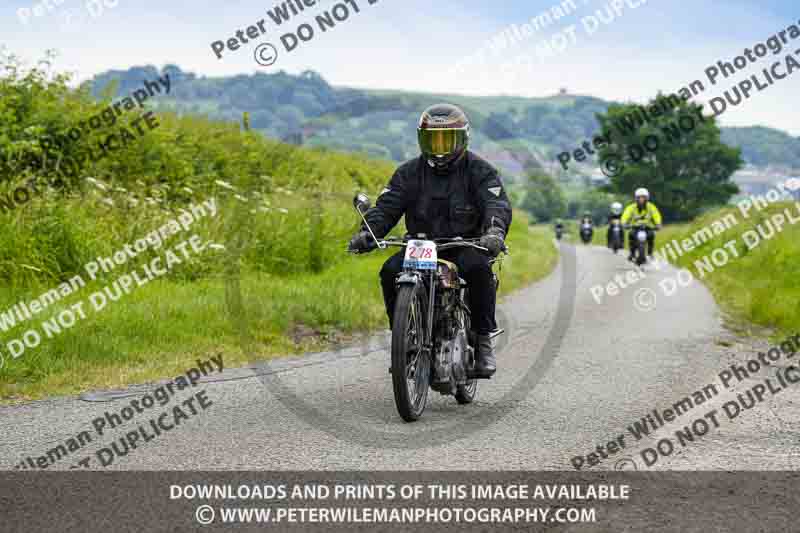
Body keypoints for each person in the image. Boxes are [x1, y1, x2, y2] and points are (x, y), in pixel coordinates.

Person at [348, 103, 512, 377]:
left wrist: (494, 232)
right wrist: (369, 233)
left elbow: (497, 205)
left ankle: (483, 341)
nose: (439, 148)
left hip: (464, 244)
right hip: (420, 247)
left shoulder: (481, 171)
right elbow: (387, 207)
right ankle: (404, 336)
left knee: (480, 270)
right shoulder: (408, 173)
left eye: (446, 140)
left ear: (462, 139)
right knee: (390, 271)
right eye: (432, 139)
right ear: (421, 139)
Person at [621, 188, 662, 261]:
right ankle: (632, 253)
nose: (641, 199)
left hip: (647, 227)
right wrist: (624, 223)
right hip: (635, 227)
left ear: (647, 198)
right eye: (639, 197)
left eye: (643, 197)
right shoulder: (631, 207)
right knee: (631, 235)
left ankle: (650, 253)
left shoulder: (651, 207)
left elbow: (656, 215)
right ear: (636, 198)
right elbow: (625, 215)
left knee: (651, 235)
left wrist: (658, 224)